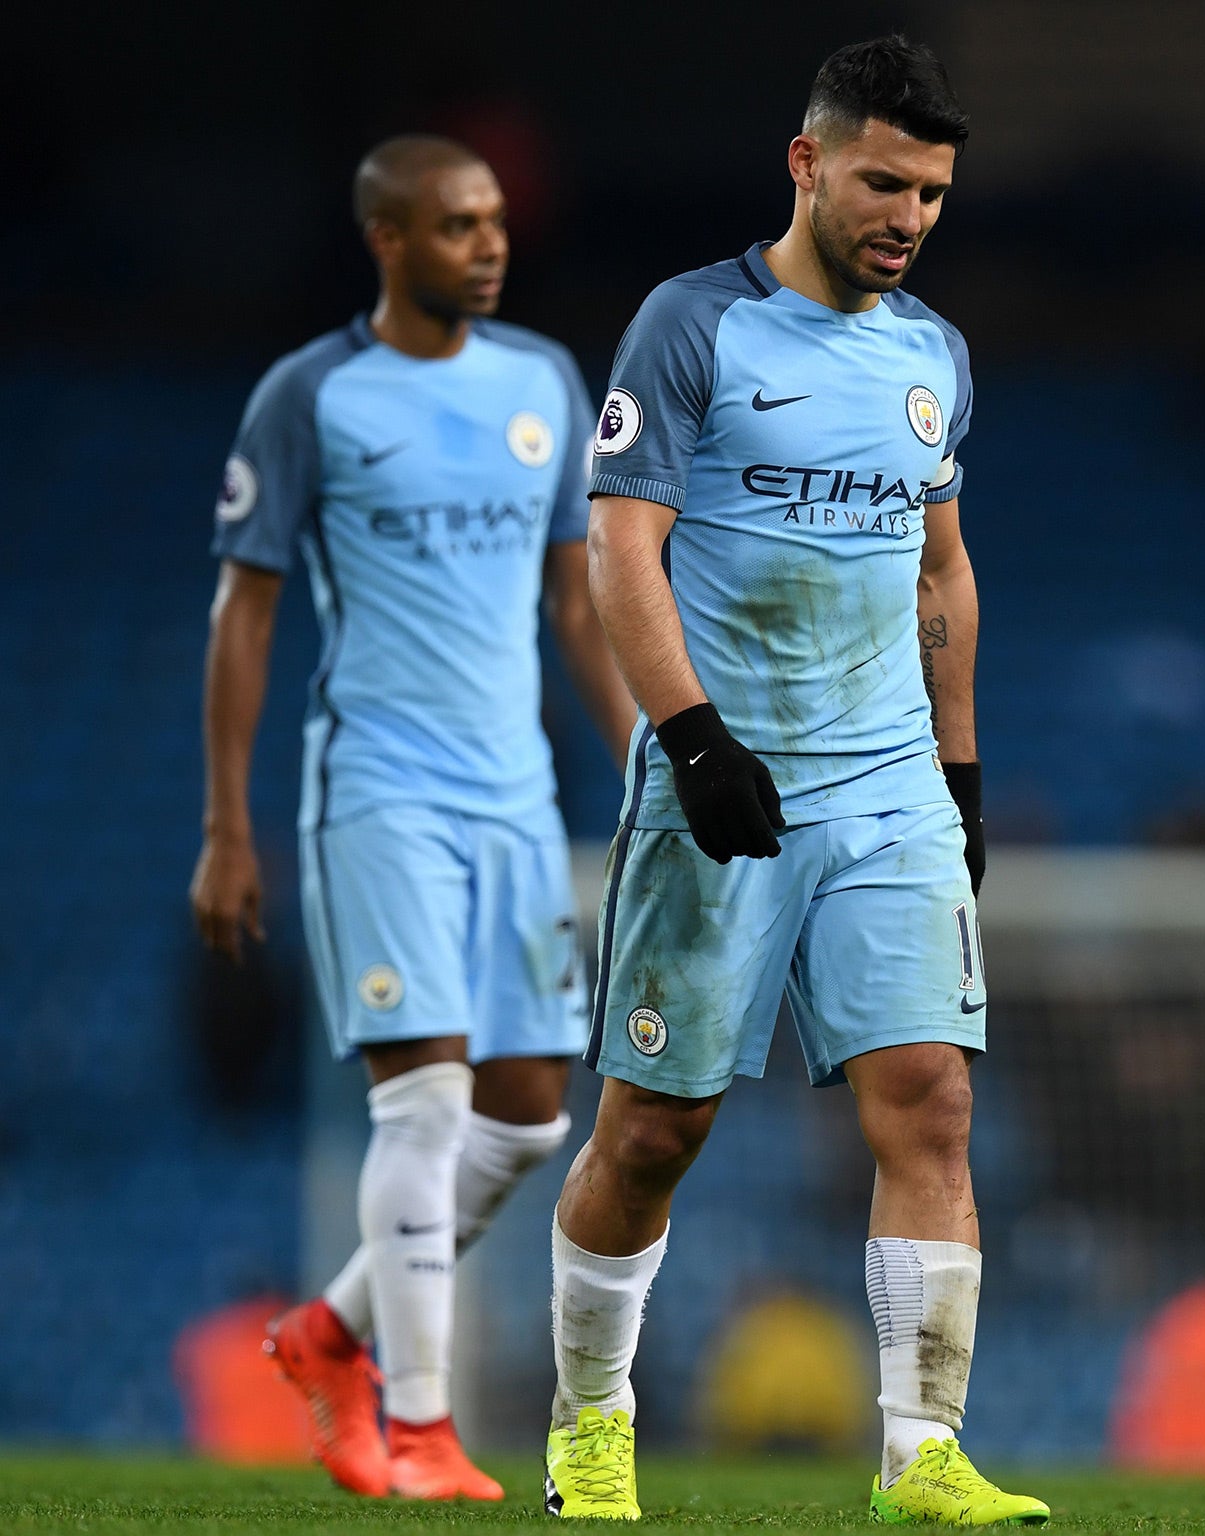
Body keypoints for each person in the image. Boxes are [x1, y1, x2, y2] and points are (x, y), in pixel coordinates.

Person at [539, 38, 1042, 1526]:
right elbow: (619, 548)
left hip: (885, 777)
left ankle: (923, 1457)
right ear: (806, 164)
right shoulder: (691, 327)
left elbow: (939, 569)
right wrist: (691, 738)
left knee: (929, 1105)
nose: (910, 216)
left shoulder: (933, 357)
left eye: (936, 193)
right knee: (654, 1129)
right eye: (885, 182)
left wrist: (955, 774)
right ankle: (588, 1424)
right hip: (725, 779)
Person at [189, 135, 637, 1501]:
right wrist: (226, 825)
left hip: (515, 799)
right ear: (388, 241)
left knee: (526, 1119)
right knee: (429, 1104)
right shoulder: (311, 396)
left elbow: (576, 602)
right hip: (380, 789)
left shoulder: (545, 383)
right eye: (456, 226)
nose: (489, 246)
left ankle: (331, 1333)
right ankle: (424, 1427)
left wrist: (647, 769)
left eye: (495, 221)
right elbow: (245, 614)